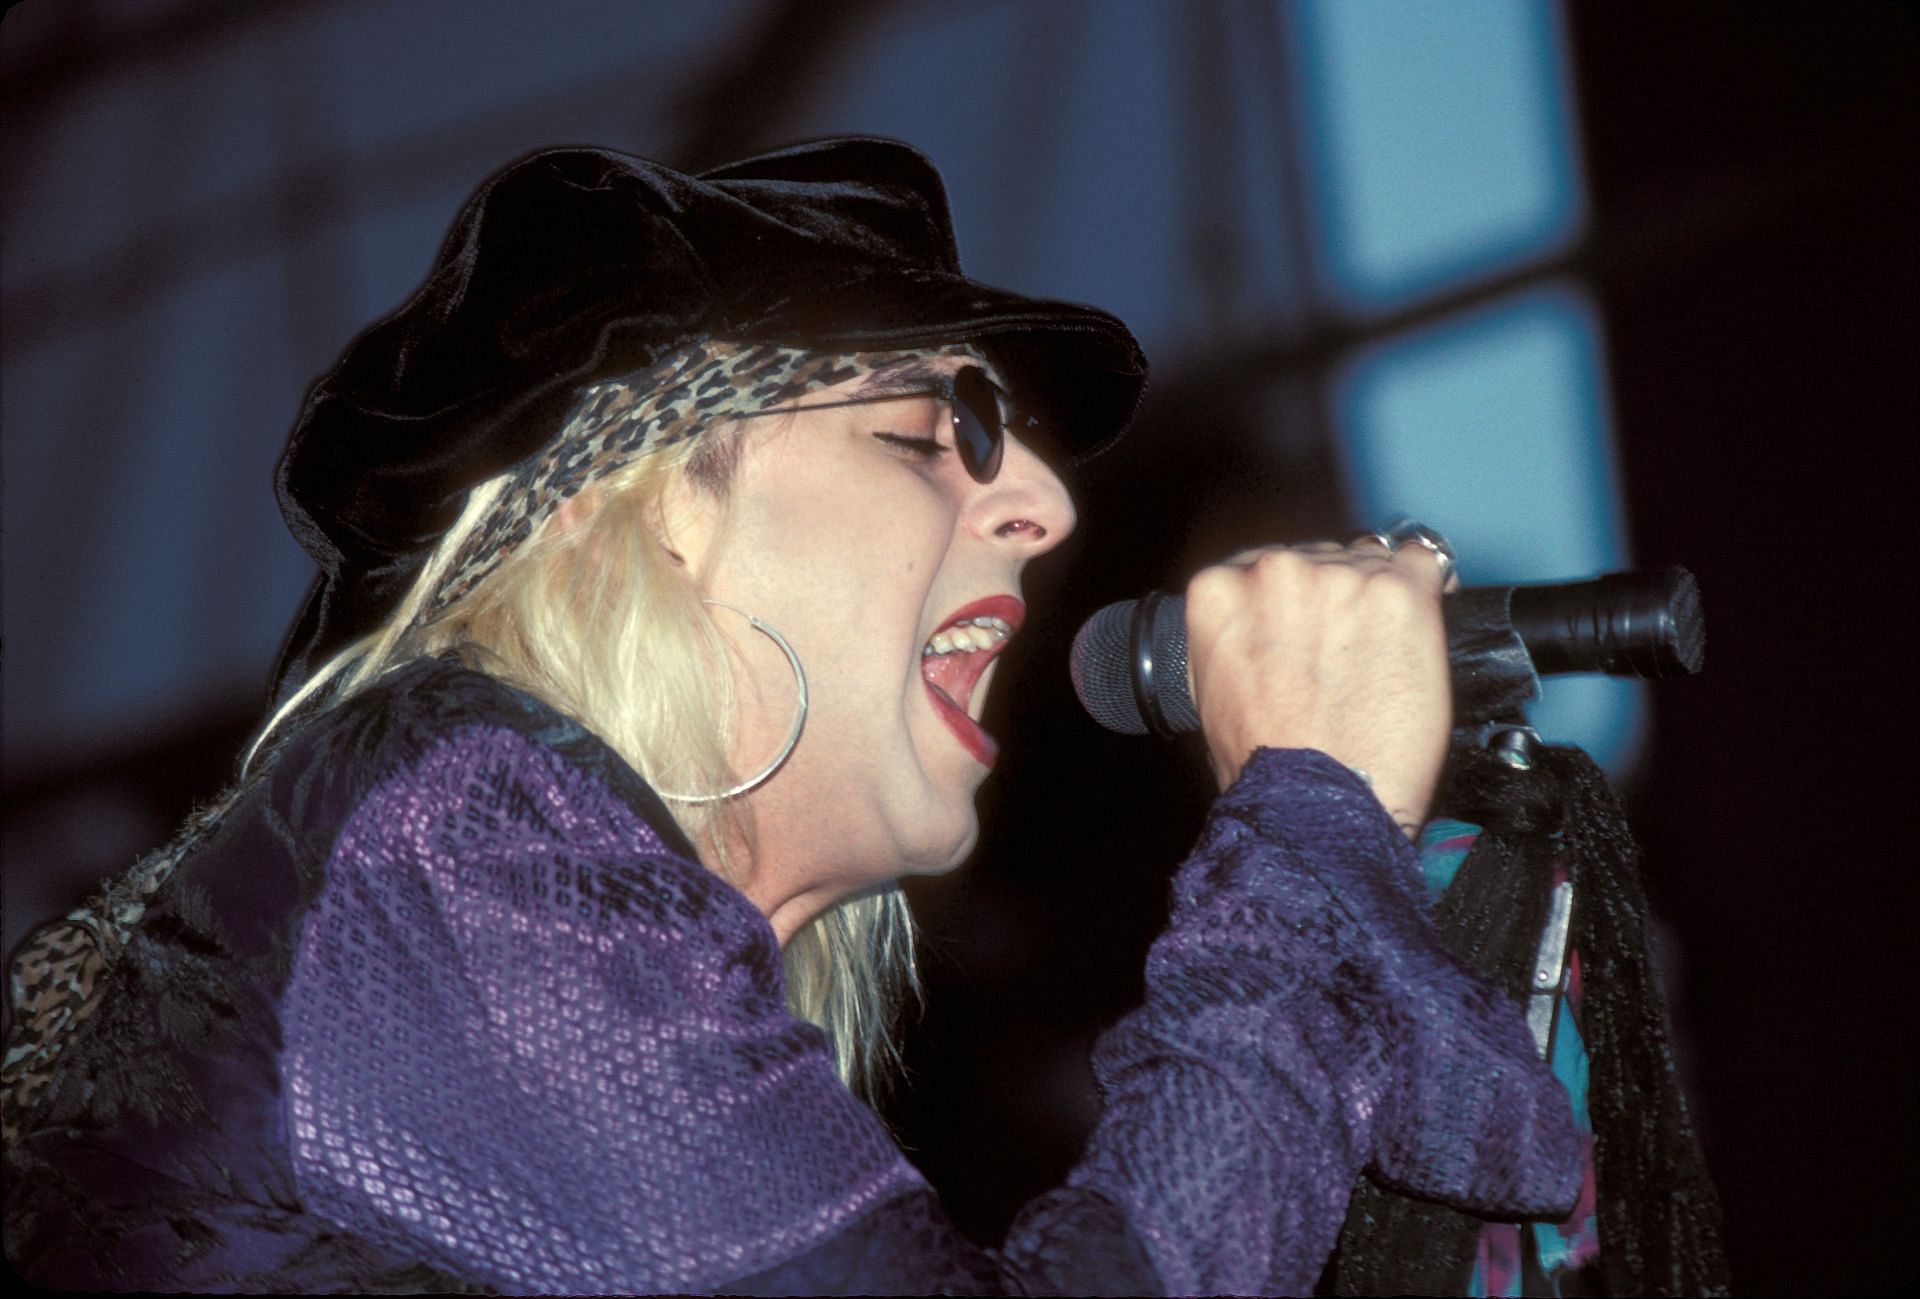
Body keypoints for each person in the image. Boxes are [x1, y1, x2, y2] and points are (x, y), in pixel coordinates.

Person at [2, 139, 1579, 1295]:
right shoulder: (458, 827)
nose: (1036, 500)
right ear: (667, 505)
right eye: (930, 430)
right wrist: (1306, 819)